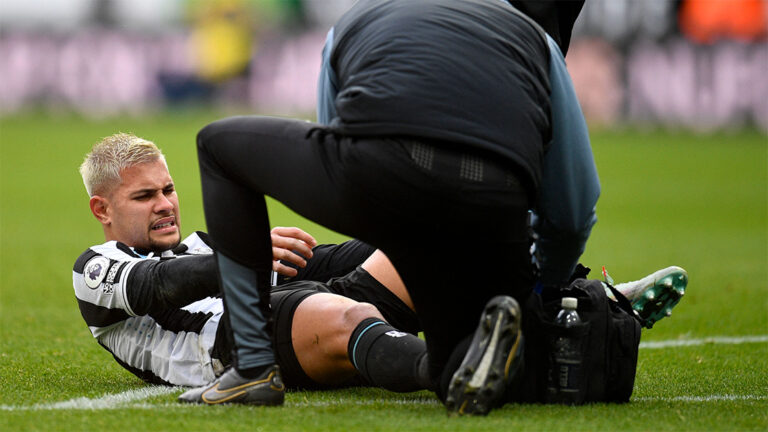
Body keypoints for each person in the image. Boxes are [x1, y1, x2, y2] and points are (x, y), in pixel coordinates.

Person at [184, 0, 636, 415]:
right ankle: (507, 338)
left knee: (217, 148)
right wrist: (544, 283)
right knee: (452, 367)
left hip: (383, 182)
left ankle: (252, 368)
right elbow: (574, 206)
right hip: (493, 205)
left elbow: (333, 132)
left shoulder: (358, 19)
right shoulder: (536, 39)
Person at [74, 133, 688, 401]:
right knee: (345, 315)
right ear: (103, 209)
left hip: (286, 309)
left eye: (169, 189)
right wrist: (245, 252)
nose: (166, 205)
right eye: (145, 197)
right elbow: (159, 284)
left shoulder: (203, 242)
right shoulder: (94, 267)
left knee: (427, 247)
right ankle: (452, 373)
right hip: (233, 347)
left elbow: (320, 261)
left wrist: (394, 240)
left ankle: (593, 297)